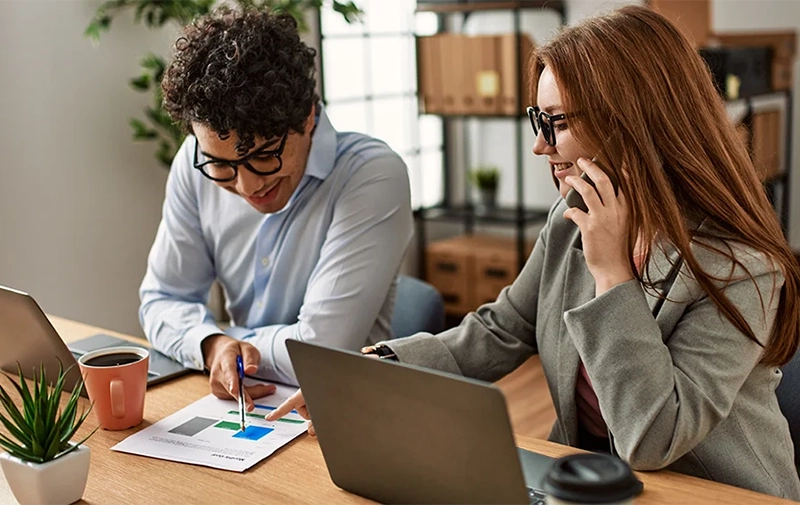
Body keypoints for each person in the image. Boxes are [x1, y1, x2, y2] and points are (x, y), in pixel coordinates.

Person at [268, 6, 800, 499]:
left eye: (558, 122)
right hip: (591, 481)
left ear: (632, 120)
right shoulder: (570, 220)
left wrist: (612, 273)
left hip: (713, 493)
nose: (539, 146)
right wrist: (376, 373)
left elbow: (652, 438)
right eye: (537, 119)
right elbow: (503, 328)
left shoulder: (742, 268)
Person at [139, 7, 413, 409]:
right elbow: (161, 299)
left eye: (265, 156)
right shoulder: (194, 162)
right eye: (222, 165)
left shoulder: (372, 175)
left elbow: (320, 350)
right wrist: (213, 344)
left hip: (343, 414)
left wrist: (235, 343)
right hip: (239, 406)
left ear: (307, 118)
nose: (248, 186)